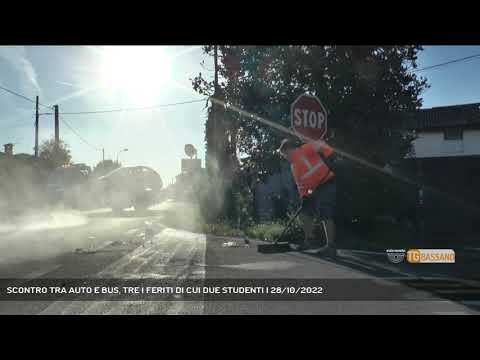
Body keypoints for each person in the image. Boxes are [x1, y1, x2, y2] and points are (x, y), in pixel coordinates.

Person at [278, 138, 337, 255]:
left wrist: (330, 156)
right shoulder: (293, 166)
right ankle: (309, 241)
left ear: (289, 150)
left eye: (284, 154)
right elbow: (301, 185)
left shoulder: (306, 148)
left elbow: (323, 146)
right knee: (304, 213)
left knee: (325, 213)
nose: (284, 157)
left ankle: (331, 247)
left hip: (326, 182)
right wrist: (304, 197)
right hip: (313, 190)